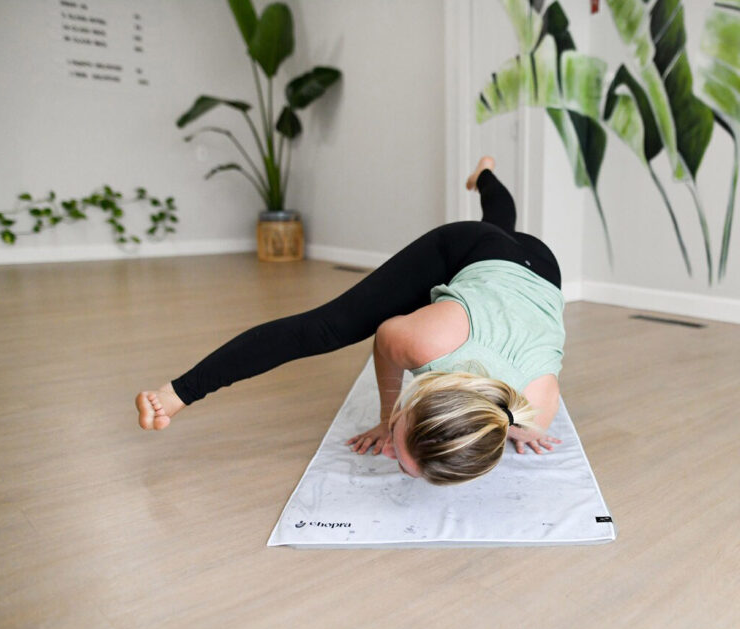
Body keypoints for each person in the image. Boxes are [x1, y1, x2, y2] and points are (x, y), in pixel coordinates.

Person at [135, 157, 565, 485]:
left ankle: (485, 173)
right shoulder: (427, 341)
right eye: (400, 448)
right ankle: (178, 392)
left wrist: (515, 431)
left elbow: (509, 423)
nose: (393, 456)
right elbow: (384, 343)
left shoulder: (534, 410)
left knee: (501, 222)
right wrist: (384, 417)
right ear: (412, 405)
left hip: (541, 266)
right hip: (472, 248)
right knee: (326, 328)